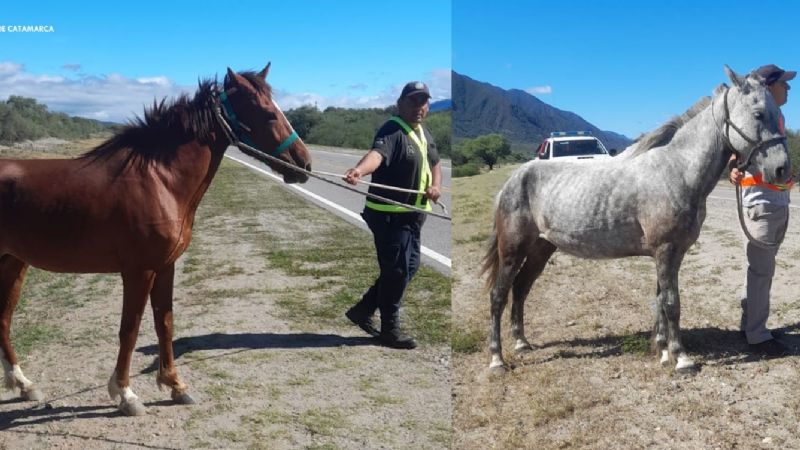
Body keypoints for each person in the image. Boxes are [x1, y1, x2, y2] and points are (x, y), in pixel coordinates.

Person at [342, 81, 442, 349]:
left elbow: (435, 163)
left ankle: (363, 310)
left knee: (408, 267)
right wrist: (359, 171)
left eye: (423, 102)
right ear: (400, 104)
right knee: (397, 271)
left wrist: (435, 186)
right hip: (389, 215)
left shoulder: (424, 133)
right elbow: (377, 155)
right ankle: (390, 329)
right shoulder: (393, 129)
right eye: (413, 101)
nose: (419, 107)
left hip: (412, 214)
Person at [729, 64, 795, 356]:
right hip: (761, 204)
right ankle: (757, 335)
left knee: (759, 271)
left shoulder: (776, 119)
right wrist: (733, 168)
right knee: (761, 272)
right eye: (784, 83)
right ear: (768, 88)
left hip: (774, 203)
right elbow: (734, 155)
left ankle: (750, 324)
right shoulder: (758, 122)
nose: (789, 88)